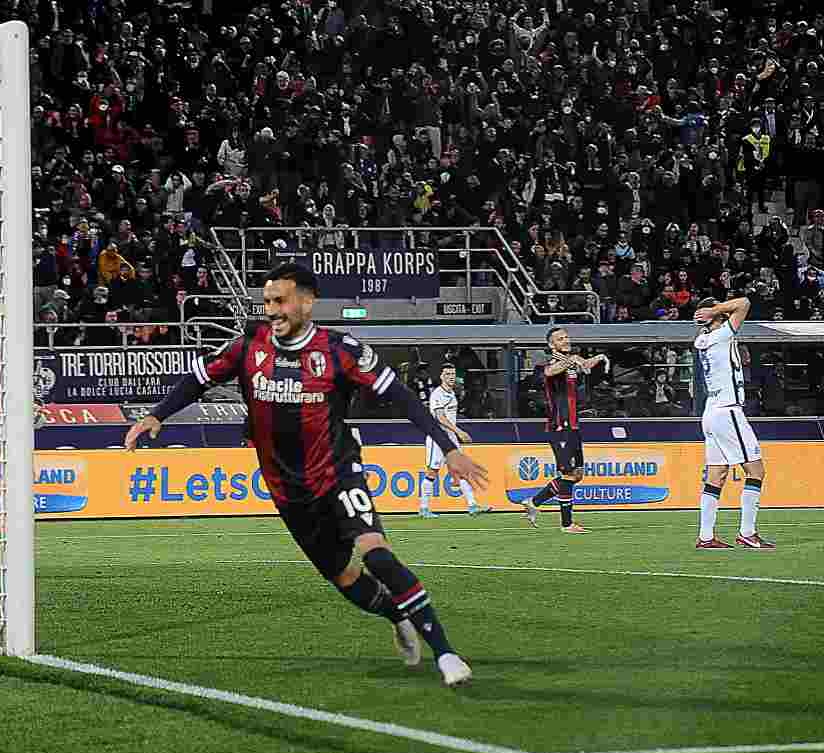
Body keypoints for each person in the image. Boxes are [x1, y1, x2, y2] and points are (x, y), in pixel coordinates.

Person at [125, 263, 488, 687]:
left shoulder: (340, 351)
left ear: (307, 302)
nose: (272, 311)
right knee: (344, 577)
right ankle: (397, 615)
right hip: (288, 490)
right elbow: (198, 379)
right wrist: (156, 415)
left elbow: (404, 399)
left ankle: (446, 653)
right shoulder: (248, 346)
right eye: (266, 303)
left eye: (280, 301)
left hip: (338, 473)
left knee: (374, 551)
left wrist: (449, 450)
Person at [692, 297, 774, 549]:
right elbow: (745, 303)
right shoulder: (722, 335)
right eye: (720, 308)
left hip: (712, 411)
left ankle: (706, 537)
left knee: (716, 475)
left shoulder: (703, 340)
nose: (726, 311)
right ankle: (747, 532)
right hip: (727, 410)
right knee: (756, 471)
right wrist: (714, 310)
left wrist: (711, 312)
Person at [521, 328, 609, 534]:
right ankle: (567, 524)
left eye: (567, 336)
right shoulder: (548, 365)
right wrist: (574, 360)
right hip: (559, 426)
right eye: (560, 339)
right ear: (552, 345)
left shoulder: (571, 364)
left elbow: (585, 366)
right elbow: (550, 372)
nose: (566, 340)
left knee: (577, 474)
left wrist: (599, 357)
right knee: (568, 474)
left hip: (573, 425)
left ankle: (533, 502)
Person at [418, 363, 492, 518]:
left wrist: (455, 434)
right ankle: (424, 508)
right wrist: (459, 431)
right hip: (438, 438)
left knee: (461, 471)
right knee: (432, 472)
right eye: (447, 374)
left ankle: (472, 505)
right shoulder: (437, 394)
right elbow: (440, 417)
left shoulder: (452, 393)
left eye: (452, 374)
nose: (451, 377)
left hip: (450, 438)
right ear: (441, 376)